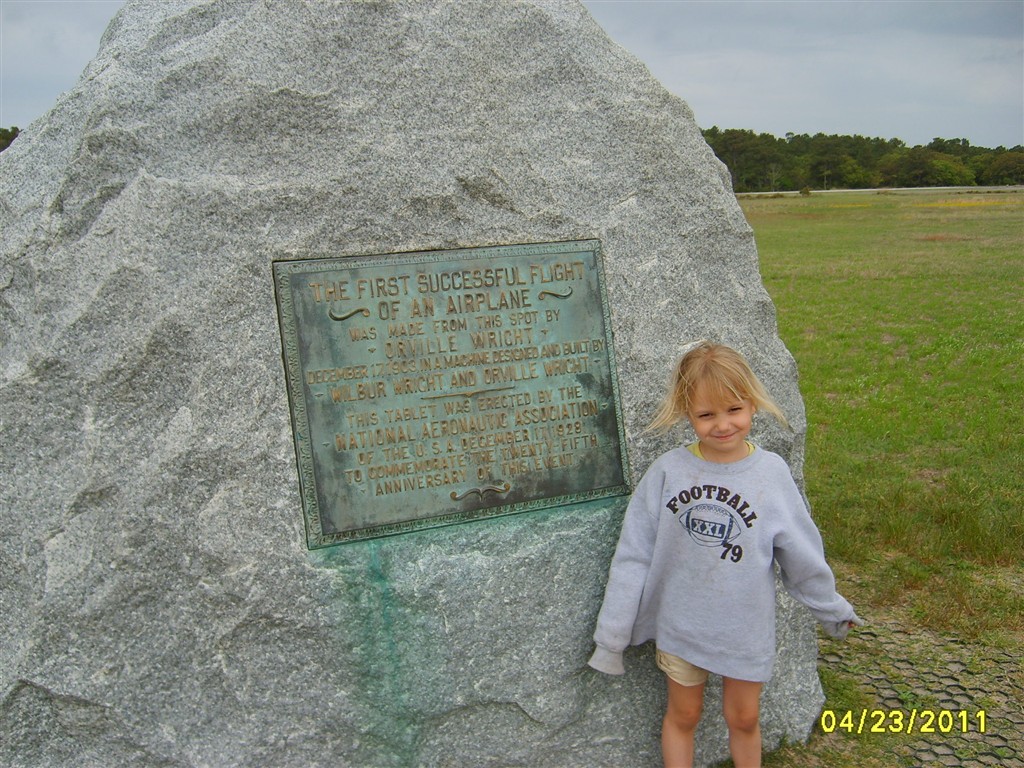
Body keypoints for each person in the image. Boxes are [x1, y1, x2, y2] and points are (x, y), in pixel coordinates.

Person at [588, 341, 862, 768]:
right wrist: (611, 638)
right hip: (681, 625)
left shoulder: (771, 475)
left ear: (752, 403)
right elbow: (633, 557)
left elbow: (802, 555)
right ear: (686, 413)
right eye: (705, 415)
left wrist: (831, 608)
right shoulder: (667, 473)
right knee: (684, 714)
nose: (722, 425)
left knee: (745, 717)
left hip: (745, 629)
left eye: (734, 409)